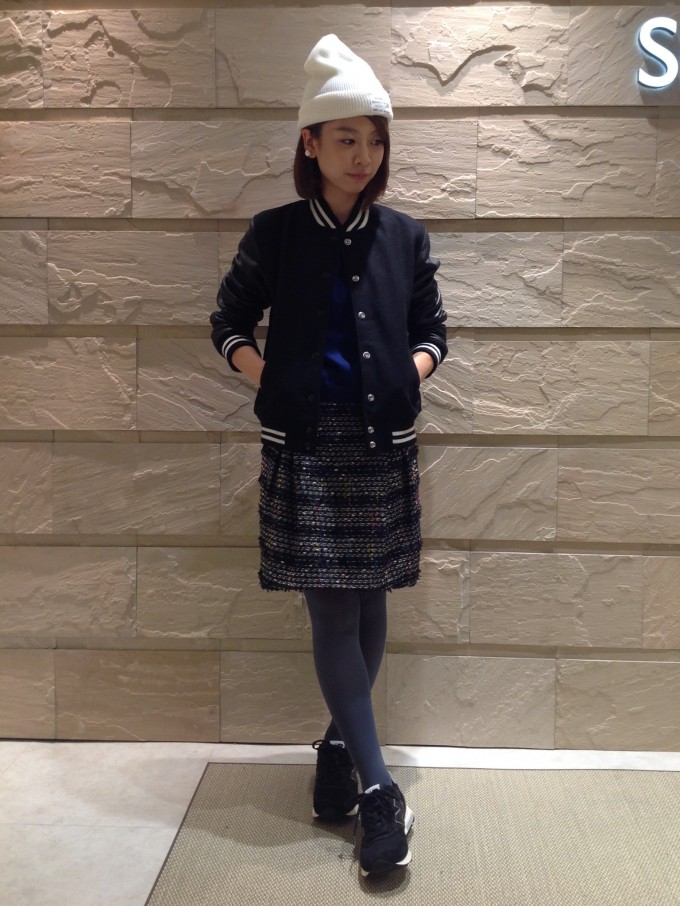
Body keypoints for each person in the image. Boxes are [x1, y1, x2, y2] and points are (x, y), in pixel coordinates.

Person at [210, 33, 447, 878]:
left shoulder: (405, 237)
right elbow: (227, 322)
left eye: (374, 140)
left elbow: (433, 331)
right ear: (310, 143)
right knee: (333, 613)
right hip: (308, 448)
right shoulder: (276, 234)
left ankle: (339, 751)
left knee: (370, 602)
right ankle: (381, 790)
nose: (363, 156)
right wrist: (270, 377)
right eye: (346, 138)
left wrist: (410, 375)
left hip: (381, 445)